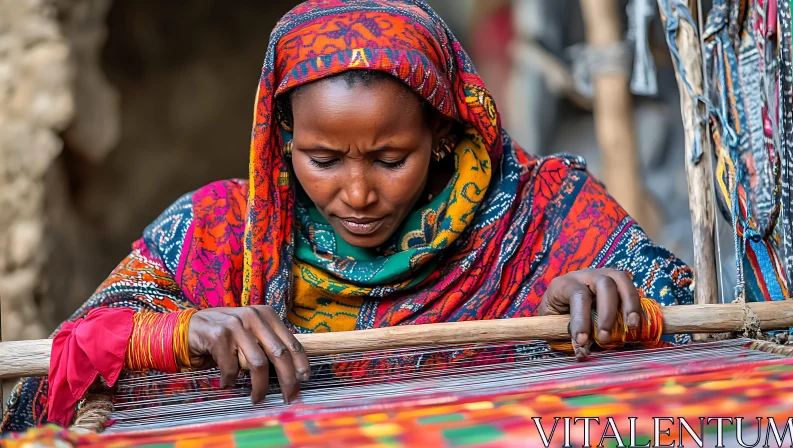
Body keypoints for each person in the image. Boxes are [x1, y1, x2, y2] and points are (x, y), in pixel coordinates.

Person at [0, 0, 693, 433]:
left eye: (391, 159)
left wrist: (607, 304)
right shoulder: (217, 234)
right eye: (323, 159)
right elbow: (42, 395)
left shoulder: (546, 214)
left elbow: (696, 352)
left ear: (445, 137)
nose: (357, 194)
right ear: (281, 141)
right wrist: (180, 330)